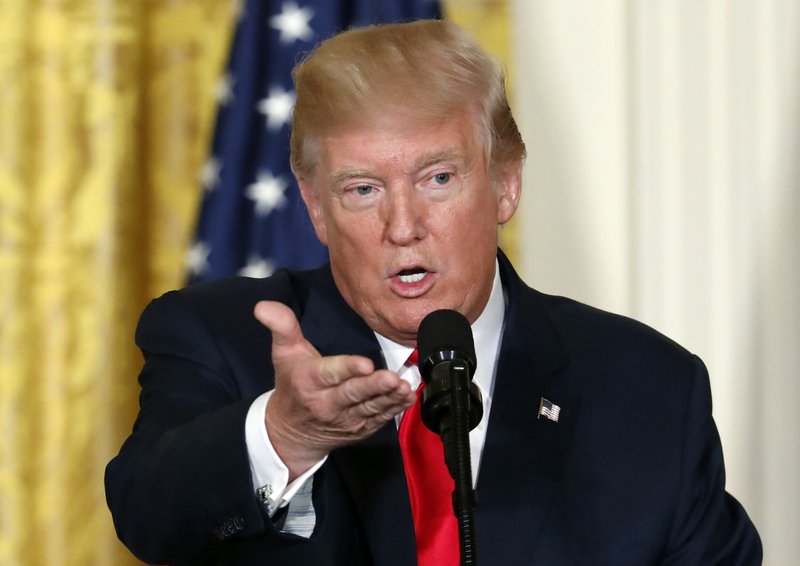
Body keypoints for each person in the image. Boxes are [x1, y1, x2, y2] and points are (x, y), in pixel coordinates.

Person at [105, 19, 762, 565]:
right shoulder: (221, 337)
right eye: (362, 189)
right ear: (314, 206)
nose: (403, 226)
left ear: (505, 184)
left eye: (438, 179)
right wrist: (285, 433)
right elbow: (148, 515)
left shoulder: (649, 388)